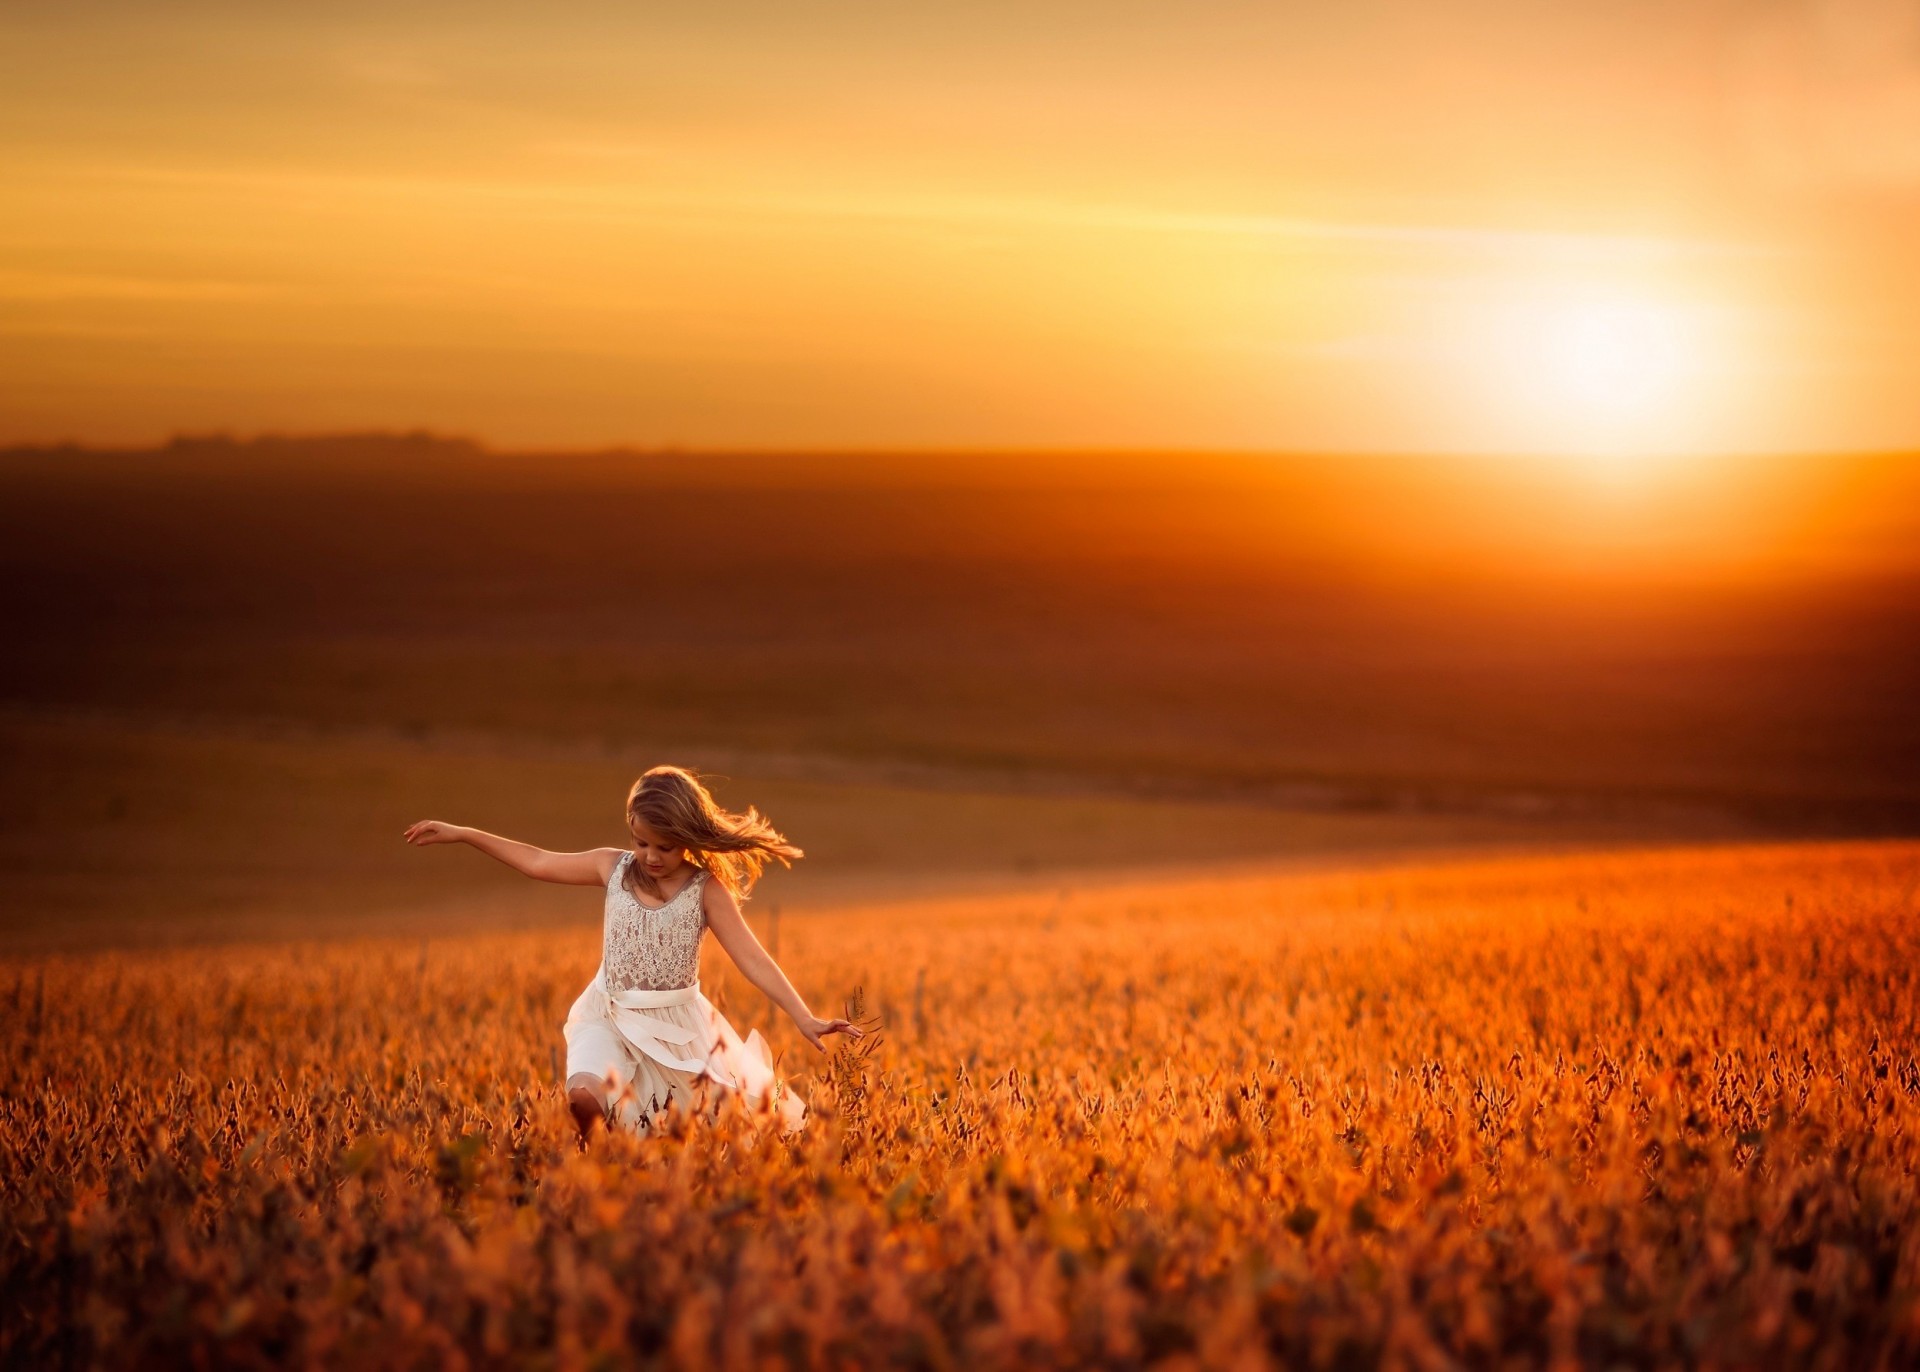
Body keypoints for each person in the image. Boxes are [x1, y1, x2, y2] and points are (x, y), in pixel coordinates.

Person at [403, 765, 861, 1143]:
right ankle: (591, 1159)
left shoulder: (706, 890)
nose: (651, 856)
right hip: (608, 1013)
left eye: (666, 846)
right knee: (583, 1099)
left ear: (688, 837)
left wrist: (804, 1017)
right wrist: (463, 833)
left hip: (676, 1031)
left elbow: (753, 958)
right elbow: (537, 861)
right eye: (641, 843)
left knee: (707, 1135)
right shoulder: (612, 866)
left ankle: (630, 1181)